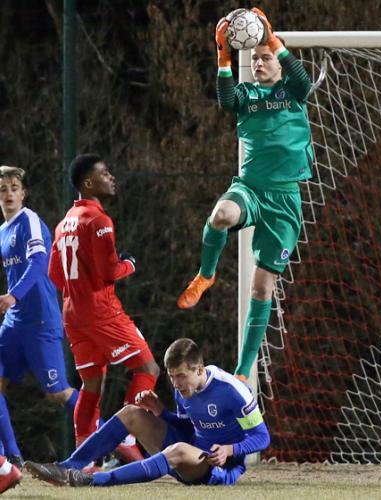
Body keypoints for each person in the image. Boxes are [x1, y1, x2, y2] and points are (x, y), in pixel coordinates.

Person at [177, 8, 313, 382]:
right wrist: (222, 56)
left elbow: (303, 80)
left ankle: (242, 371)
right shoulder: (246, 95)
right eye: (254, 59)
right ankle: (205, 275)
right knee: (221, 214)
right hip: (250, 188)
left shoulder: (292, 91)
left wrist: (271, 39)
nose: (259, 63)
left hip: (284, 200)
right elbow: (224, 98)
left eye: (265, 58)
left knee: (262, 285)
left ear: (278, 62)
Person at [25, 337, 270, 487]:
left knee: (178, 450)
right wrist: (161, 412)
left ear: (199, 369)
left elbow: (262, 437)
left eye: (181, 376)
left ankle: (94, 480)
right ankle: (67, 467)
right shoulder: (182, 389)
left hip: (219, 467)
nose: (176, 383)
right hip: (189, 452)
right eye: (172, 376)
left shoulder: (232, 390)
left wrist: (230, 450)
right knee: (132, 412)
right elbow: (187, 427)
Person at [48, 154, 160, 461]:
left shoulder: (63, 224)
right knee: (148, 368)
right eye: (105, 173)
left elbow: (55, 274)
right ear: (88, 183)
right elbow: (111, 271)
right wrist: (129, 265)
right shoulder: (98, 220)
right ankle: (123, 436)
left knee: (91, 384)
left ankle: (84, 459)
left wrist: (80, 289)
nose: (112, 177)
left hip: (72, 311)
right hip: (100, 309)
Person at [0, 166, 79, 467]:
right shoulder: (2, 231)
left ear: (23, 193)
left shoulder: (28, 221)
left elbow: (39, 262)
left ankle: (114, 436)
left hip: (40, 321)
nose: (8, 193)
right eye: (2, 188)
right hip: (13, 323)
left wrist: (12, 296)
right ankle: (11, 458)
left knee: (58, 393)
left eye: (14, 187)